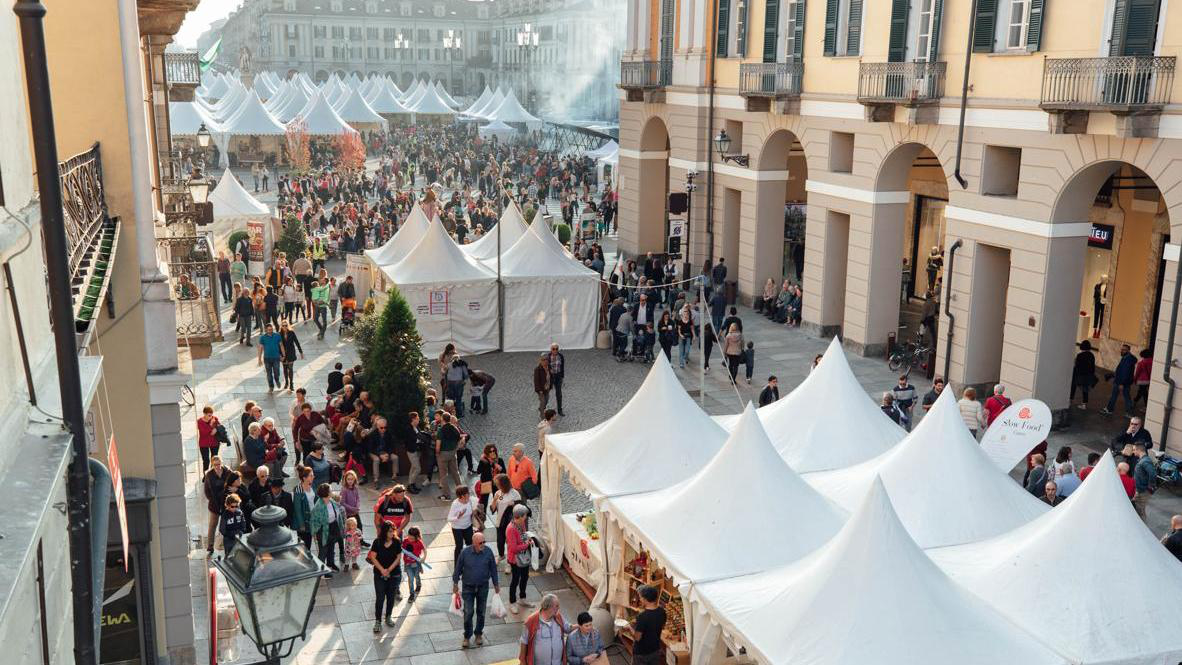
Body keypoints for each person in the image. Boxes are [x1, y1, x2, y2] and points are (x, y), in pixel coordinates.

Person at [452, 531, 500, 649]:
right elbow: (458, 568)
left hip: (483, 587)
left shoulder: (488, 552)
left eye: (484, 542)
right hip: (468, 587)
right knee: (468, 612)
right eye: (480, 543)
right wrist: (455, 583)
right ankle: (467, 635)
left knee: (481, 612)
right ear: (474, 543)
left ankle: (478, 633)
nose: (483, 544)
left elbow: (493, 569)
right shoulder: (465, 553)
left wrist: (496, 584)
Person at [368, 521, 403, 634]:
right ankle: (378, 621)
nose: (392, 533)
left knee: (391, 596)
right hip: (379, 574)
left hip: (393, 574)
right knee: (380, 597)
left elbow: (398, 558)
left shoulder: (397, 542)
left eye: (393, 531)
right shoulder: (377, 542)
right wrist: (382, 570)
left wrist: (389, 570)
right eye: (390, 531)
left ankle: (388, 616)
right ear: (384, 532)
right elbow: (373, 557)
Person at [518, 594, 571, 665]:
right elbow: (524, 642)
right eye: (557, 606)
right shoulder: (531, 621)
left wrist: (580, 625)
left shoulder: (558, 616)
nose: (559, 608)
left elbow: (568, 628)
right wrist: (522, 660)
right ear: (549, 607)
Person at [506, 503, 535, 613]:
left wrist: (528, 539)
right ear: (520, 516)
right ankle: (512, 602)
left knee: (525, 577)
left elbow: (524, 535)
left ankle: (522, 598)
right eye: (525, 515)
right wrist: (526, 545)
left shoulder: (521, 524)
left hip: (523, 556)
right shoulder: (511, 529)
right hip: (515, 559)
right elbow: (513, 548)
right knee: (515, 580)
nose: (526, 517)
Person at [311, 482, 345, 574]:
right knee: (323, 551)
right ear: (326, 493)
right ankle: (322, 570)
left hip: (333, 526)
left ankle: (330, 564)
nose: (332, 492)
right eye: (330, 490)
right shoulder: (318, 506)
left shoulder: (331, 501)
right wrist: (315, 533)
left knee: (331, 548)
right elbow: (314, 521)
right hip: (323, 530)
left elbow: (337, 514)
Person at [628, 585, 667, 665]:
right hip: (655, 650)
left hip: (641, 653)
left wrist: (629, 627)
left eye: (641, 597)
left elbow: (637, 637)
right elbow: (661, 626)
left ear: (645, 599)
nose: (640, 599)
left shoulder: (642, 616)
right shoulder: (662, 612)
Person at [490, 473, 523, 560]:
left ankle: (511, 559)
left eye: (498, 484)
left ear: (504, 484)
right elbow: (492, 509)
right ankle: (501, 555)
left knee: (510, 541)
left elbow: (520, 508)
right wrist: (494, 500)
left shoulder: (514, 493)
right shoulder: (498, 493)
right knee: (500, 541)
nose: (497, 486)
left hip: (511, 522)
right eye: (496, 484)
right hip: (500, 521)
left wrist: (513, 504)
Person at [203, 456, 230, 555]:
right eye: (215, 465)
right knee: (213, 525)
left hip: (226, 502)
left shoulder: (227, 471)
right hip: (215, 503)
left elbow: (234, 480)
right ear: (212, 465)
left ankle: (227, 543)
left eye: (219, 464)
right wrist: (212, 500)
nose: (217, 467)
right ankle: (210, 546)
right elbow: (206, 491)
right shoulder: (209, 474)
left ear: (221, 463)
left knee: (227, 524)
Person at [1103, 344, 1137, 416]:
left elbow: (1125, 372)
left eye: (1124, 350)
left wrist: (1121, 383)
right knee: (1122, 396)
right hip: (1123, 381)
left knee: (1119, 396)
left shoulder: (1127, 360)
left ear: (1128, 351)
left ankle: (1111, 409)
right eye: (1122, 349)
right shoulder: (1127, 358)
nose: (1122, 351)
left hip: (1121, 382)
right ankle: (1111, 409)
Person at [435, 412, 463, 500]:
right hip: (452, 453)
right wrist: (455, 449)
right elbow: (459, 439)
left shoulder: (441, 430)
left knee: (443, 475)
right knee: (455, 472)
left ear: (442, 419)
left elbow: (438, 445)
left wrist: (437, 453)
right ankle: (461, 491)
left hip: (443, 454)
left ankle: (446, 494)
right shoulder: (454, 428)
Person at [448, 486, 478, 565]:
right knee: (459, 546)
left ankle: (470, 562)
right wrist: (458, 517)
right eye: (467, 493)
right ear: (462, 496)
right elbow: (449, 518)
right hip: (457, 528)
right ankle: (457, 566)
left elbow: (477, 501)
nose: (469, 494)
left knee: (470, 544)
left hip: (468, 526)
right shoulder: (455, 504)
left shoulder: (470, 500)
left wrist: (476, 509)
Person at [292, 466, 315, 549]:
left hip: (311, 519)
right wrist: (301, 524)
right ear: (304, 478)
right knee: (303, 546)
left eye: (313, 475)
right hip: (303, 522)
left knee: (308, 543)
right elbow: (297, 509)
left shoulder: (311, 486)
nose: (313, 477)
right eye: (311, 475)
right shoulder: (298, 490)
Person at [1132, 444, 1156, 521]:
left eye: (1134, 450)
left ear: (1139, 450)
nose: (1133, 451)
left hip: (1143, 491)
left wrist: (1150, 486)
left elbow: (1152, 474)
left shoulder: (1145, 461)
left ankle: (1141, 526)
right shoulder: (1142, 460)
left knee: (1140, 512)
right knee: (1137, 509)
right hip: (1140, 490)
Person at [278, 321, 304, 392]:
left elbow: (297, 342)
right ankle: (286, 382)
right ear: (281, 326)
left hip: (291, 353)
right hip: (283, 354)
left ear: (288, 325)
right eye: (283, 325)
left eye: (286, 325)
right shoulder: (279, 334)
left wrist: (301, 352)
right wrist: (279, 355)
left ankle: (291, 384)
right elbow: (277, 345)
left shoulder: (291, 333)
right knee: (285, 369)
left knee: (290, 368)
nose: (285, 327)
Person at [1071, 340, 1098, 410]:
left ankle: (1071, 399)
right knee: (1085, 389)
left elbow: (1077, 366)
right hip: (1088, 375)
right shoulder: (1092, 355)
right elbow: (1092, 367)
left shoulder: (1080, 355)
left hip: (1080, 375)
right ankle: (1084, 404)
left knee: (1073, 385)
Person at [402, 525, 426, 601]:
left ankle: (418, 584)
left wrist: (423, 558)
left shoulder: (419, 542)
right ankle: (411, 594)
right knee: (410, 578)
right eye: (409, 537)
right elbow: (401, 548)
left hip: (416, 563)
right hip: (408, 564)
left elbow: (425, 550)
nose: (410, 539)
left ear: (417, 537)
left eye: (412, 538)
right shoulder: (405, 541)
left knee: (416, 576)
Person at [257, 324, 283, 392]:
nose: (270, 331)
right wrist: (259, 359)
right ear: (266, 330)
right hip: (267, 358)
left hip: (276, 357)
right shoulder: (262, 337)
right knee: (269, 374)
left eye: (271, 329)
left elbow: (281, 345)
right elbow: (260, 348)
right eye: (269, 330)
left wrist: (283, 355)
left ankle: (277, 380)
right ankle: (271, 386)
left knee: (276, 372)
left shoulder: (277, 335)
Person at [196, 406, 222, 474]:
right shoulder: (199, 422)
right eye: (209, 415)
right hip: (204, 443)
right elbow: (204, 432)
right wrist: (211, 425)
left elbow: (220, 426)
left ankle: (213, 474)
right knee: (206, 460)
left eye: (211, 415)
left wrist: (216, 429)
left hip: (214, 442)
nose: (211, 417)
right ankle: (206, 475)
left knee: (214, 459)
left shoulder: (214, 418)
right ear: (204, 414)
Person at [547, 344, 567, 416]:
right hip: (551, 377)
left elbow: (562, 367)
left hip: (558, 376)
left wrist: (562, 377)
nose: (555, 350)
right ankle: (543, 409)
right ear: (551, 349)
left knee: (559, 394)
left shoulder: (560, 356)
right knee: (546, 393)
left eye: (556, 349)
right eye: (553, 349)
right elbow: (546, 366)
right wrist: (549, 371)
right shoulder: (548, 357)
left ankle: (560, 410)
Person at [533, 355, 551, 419]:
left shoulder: (549, 367)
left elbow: (551, 377)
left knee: (546, 400)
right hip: (541, 390)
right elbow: (536, 381)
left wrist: (551, 385)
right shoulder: (537, 369)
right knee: (543, 402)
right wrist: (539, 390)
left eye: (546, 359)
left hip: (547, 388)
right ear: (540, 361)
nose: (545, 361)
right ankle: (542, 416)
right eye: (543, 360)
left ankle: (541, 408)